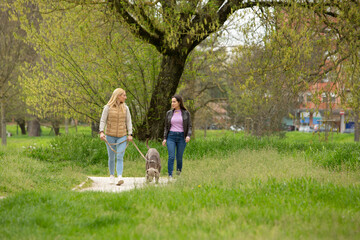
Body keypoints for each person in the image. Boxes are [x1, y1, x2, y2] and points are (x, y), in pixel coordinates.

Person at [99, 88, 133, 185]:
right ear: (118, 96)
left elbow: (129, 121)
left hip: (122, 136)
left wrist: (130, 134)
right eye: (124, 95)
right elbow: (102, 120)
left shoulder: (126, 108)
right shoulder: (108, 107)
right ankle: (111, 176)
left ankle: (119, 177)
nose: (125, 97)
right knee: (111, 157)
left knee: (120, 156)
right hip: (109, 135)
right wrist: (101, 132)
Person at [162, 94, 192, 179]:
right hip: (171, 136)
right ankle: (170, 176)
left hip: (182, 137)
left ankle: (178, 175)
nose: (172, 103)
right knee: (171, 156)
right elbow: (166, 127)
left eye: (174, 102)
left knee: (179, 158)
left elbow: (189, 126)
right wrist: (165, 138)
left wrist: (188, 136)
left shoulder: (186, 113)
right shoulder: (169, 113)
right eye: (172, 102)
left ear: (179, 102)